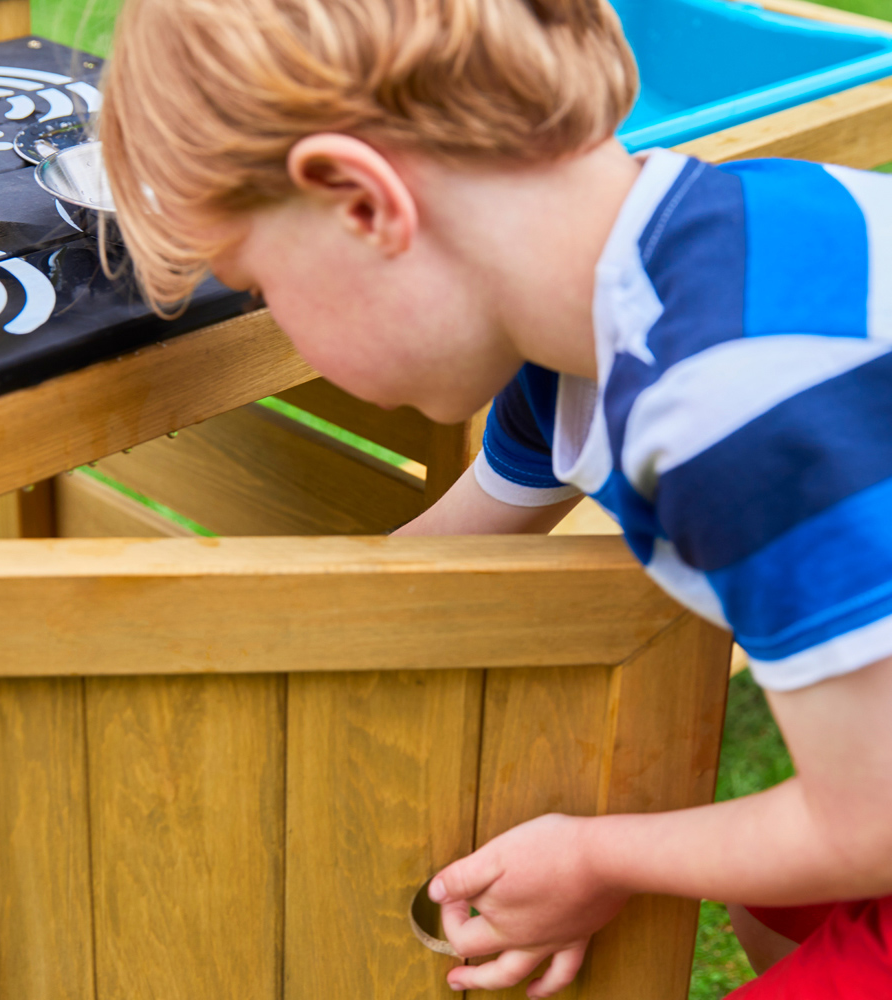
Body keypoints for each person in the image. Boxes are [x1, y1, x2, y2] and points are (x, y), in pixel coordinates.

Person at [98, 0, 892, 995]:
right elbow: (418, 573)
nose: (282, 331)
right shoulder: (611, 331)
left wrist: (600, 856)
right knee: (766, 899)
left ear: (359, 202)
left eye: (258, 288)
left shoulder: (726, 401)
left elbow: (870, 823)